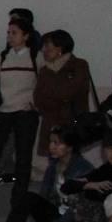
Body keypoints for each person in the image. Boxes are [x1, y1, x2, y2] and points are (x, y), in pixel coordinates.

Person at [0, 18, 40, 218]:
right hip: (3, 113)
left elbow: (44, 84)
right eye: (8, 32)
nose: (10, 36)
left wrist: (34, 103)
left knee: (23, 161)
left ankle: (17, 207)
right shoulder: (2, 56)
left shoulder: (35, 57)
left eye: (15, 33)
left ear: (26, 36)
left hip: (26, 115)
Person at [32, 29, 92, 164]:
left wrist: (51, 98)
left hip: (72, 122)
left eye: (47, 46)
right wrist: (55, 100)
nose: (44, 50)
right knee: (53, 162)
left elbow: (68, 92)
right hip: (51, 124)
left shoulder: (79, 65)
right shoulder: (44, 70)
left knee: (72, 161)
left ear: (60, 48)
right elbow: (38, 98)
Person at [61, 132, 112, 222]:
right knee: (76, 199)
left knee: (104, 205)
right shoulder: (105, 169)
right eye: (109, 148)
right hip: (100, 217)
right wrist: (91, 184)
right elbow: (67, 186)